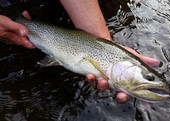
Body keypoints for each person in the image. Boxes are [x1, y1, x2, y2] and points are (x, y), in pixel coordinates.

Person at [0, 0, 160, 102]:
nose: (149, 81)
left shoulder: (116, 62)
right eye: (149, 78)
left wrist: (101, 36)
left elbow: (99, 43)